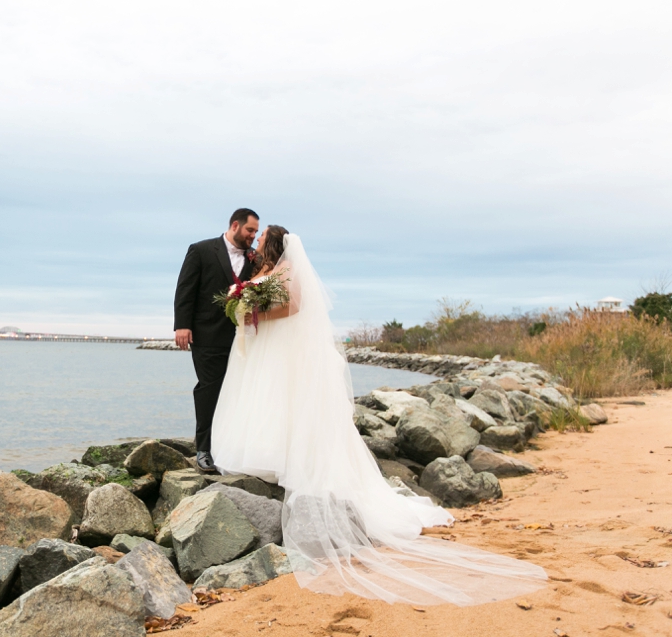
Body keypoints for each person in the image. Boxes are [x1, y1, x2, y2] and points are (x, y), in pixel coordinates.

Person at [212, 226, 547, 605]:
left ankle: (288, 461)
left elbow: (295, 307)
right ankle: (266, 455)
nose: (255, 242)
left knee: (285, 403)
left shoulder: (288, 271)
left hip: (282, 351)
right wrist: (244, 304)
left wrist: (256, 313)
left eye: (261, 237)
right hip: (269, 353)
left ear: (274, 242)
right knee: (271, 401)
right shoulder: (264, 273)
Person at [173, 208, 259, 471]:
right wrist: (183, 325)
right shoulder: (200, 250)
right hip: (207, 334)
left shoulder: (255, 259)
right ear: (235, 225)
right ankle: (204, 450)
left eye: (256, 232)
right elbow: (185, 288)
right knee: (210, 389)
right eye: (250, 230)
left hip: (245, 339)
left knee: (237, 391)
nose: (253, 236)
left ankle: (230, 447)